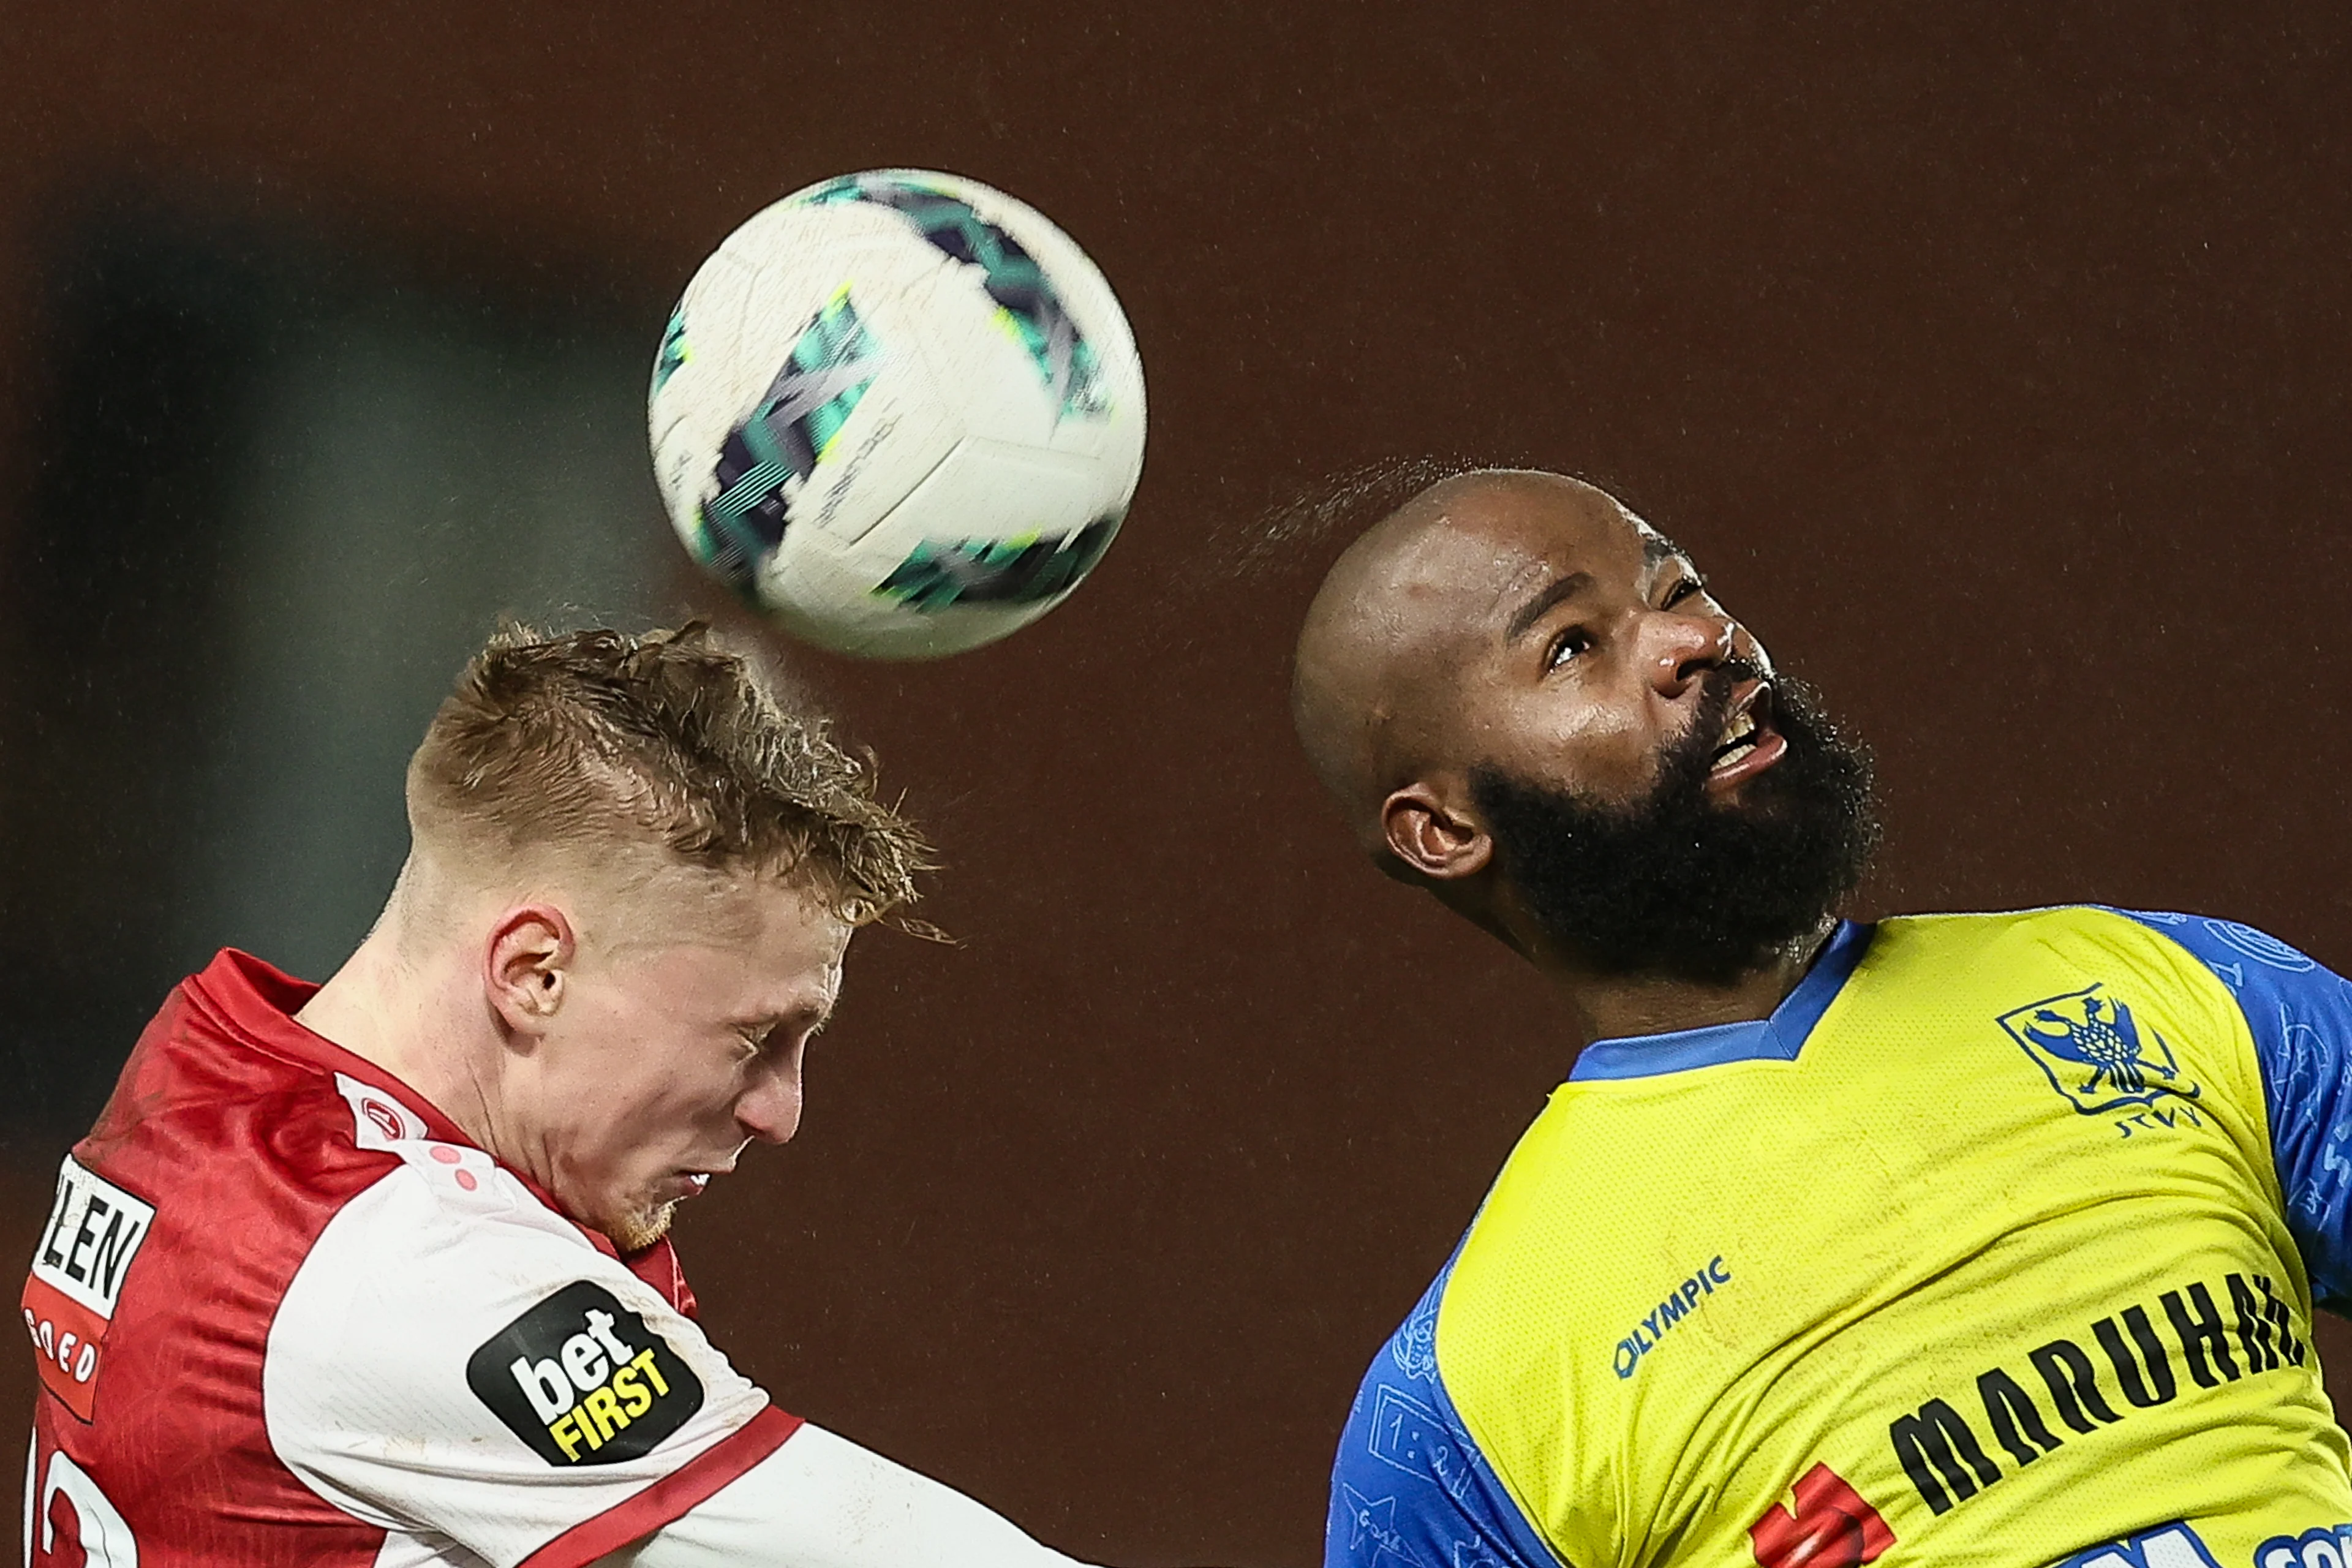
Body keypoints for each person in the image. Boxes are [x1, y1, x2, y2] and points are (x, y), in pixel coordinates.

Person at [1289, 469, 2352, 1566]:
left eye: (1678, 585)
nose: (1696, 639)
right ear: (1441, 830)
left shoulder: (2170, 988)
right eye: (1572, 646)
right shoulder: (1462, 1414)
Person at [20, 622, 1101, 1567]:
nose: (782, 1113)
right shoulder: (404, 1268)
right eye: (755, 1039)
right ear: (534, 971)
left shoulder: (215, 1068)